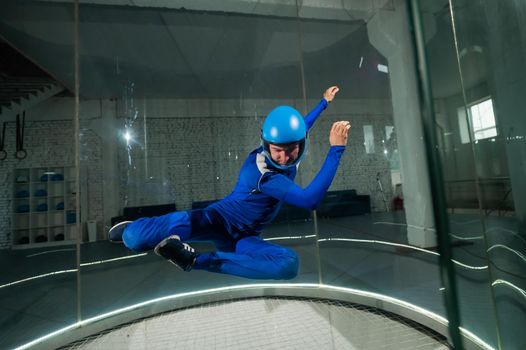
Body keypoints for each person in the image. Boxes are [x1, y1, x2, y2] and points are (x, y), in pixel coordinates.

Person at [108, 86, 351, 280]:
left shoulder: (292, 145)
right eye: (278, 151)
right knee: (135, 240)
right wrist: (336, 149)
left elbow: (303, 125)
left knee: (288, 265)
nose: (285, 158)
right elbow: (310, 200)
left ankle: (191, 260)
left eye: (292, 150)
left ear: (301, 144)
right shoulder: (262, 172)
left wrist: (324, 102)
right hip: (216, 220)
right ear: (267, 144)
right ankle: (132, 228)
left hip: (244, 239)